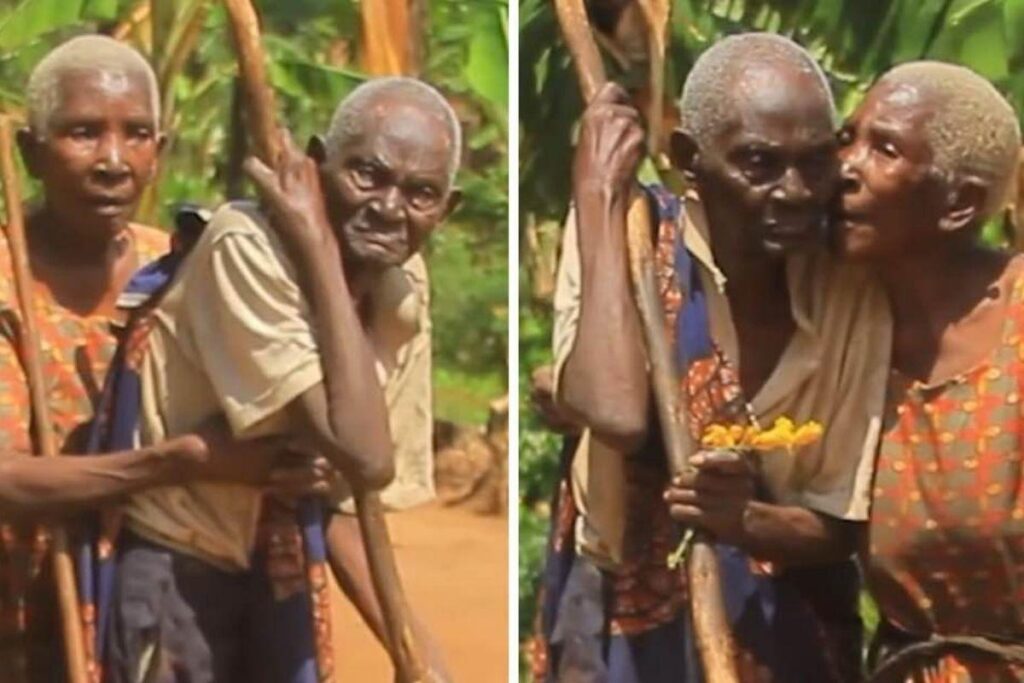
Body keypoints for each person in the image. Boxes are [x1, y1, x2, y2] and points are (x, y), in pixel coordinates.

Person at [532, 33, 891, 682]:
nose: (794, 190)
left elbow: (845, 522)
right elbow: (610, 410)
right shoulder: (623, 232)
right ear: (689, 159)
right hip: (622, 617)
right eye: (758, 162)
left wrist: (744, 519)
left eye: (814, 162)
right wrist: (594, 193)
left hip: (785, 628)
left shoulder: (851, 285)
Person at [105, 76, 461, 682]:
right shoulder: (247, 246)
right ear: (316, 168)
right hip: (178, 571)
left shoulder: (402, 286)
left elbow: (349, 496)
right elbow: (363, 453)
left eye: (420, 194)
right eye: (367, 176)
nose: (389, 208)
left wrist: (415, 649)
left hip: (283, 571)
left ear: (446, 211)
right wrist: (318, 246)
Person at [0, 35, 332, 683]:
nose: (114, 160)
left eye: (138, 134)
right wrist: (174, 460)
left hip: (156, 627)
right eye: (83, 133)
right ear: (29, 152)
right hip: (20, 630)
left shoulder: (183, 275)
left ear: (162, 150)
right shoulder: (7, 284)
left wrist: (301, 467)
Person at [836, 61, 1024, 682]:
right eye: (848, 138)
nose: (847, 168)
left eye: (884, 149)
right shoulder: (841, 329)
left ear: (960, 204)